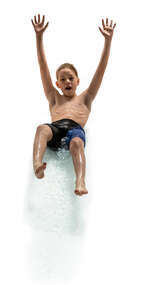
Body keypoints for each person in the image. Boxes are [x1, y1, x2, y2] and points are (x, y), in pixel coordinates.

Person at [31, 14, 116, 196]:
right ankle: (37, 163)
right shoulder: (54, 97)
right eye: (63, 79)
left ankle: (80, 181)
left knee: (77, 142)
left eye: (71, 78)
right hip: (55, 130)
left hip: (74, 131)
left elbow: (101, 69)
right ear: (57, 84)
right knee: (41, 128)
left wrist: (108, 42)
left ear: (77, 81)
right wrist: (39, 38)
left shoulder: (86, 98)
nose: (67, 81)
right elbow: (42, 65)